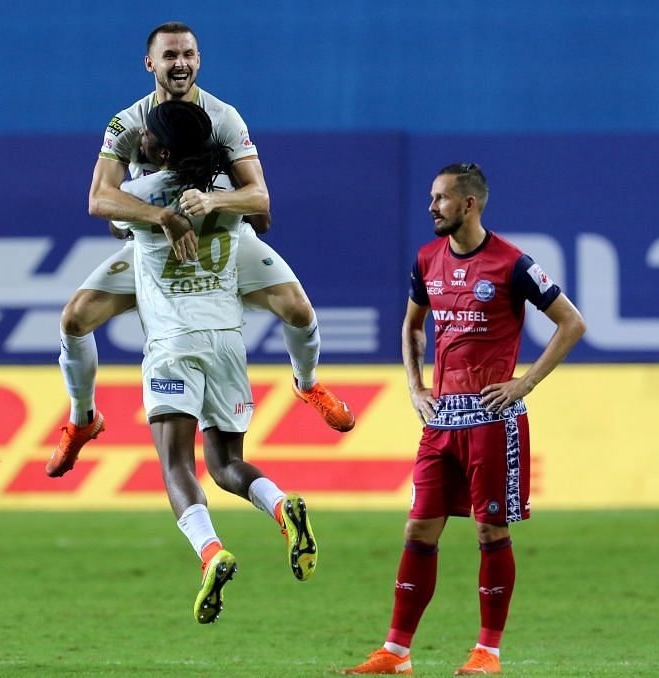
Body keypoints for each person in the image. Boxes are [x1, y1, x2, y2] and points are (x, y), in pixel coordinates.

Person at [46, 22, 354, 478]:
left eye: (188, 54)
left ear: (199, 59)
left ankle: (307, 385)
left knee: (299, 310)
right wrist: (164, 217)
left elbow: (260, 198)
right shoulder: (128, 123)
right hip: (153, 248)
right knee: (74, 319)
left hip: (224, 240)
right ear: (150, 63)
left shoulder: (223, 116)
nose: (180, 63)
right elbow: (98, 199)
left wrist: (213, 201)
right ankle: (83, 418)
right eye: (169, 55)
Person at [343, 164, 586, 675]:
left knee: (489, 533)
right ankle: (396, 652)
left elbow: (572, 322)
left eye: (441, 199)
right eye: (431, 198)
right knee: (417, 531)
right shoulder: (426, 259)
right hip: (440, 424)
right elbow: (412, 326)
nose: (431, 207)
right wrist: (415, 387)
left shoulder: (512, 263)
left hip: (492, 422)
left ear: (469, 204)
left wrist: (525, 382)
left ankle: (487, 653)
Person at [108, 99, 318, 624]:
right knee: (225, 465)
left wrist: (155, 208)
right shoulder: (227, 196)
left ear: (159, 148)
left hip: (173, 344)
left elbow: (106, 213)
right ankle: (280, 506)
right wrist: (220, 193)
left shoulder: (140, 193)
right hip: (227, 341)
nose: (143, 143)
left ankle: (210, 552)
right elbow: (263, 214)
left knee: (176, 464)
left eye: (149, 139)